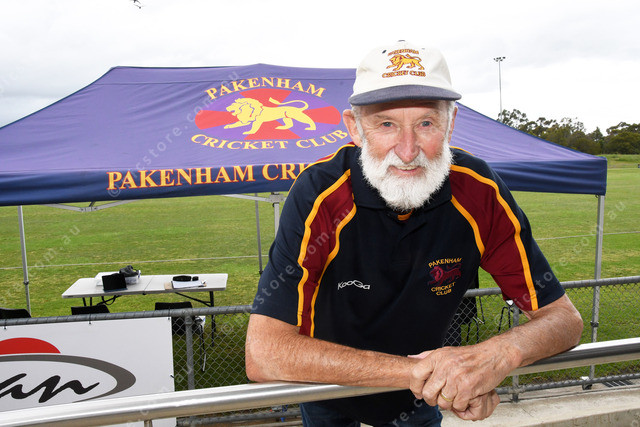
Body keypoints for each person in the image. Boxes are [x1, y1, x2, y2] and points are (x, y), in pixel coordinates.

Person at [245, 40, 583, 426]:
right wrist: (438, 376)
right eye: (386, 124)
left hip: (418, 400)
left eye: (426, 123)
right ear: (355, 128)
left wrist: (491, 359)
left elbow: (564, 319)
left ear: (450, 124)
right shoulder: (319, 193)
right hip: (328, 388)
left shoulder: (480, 192)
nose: (407, 151)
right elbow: (264, 352)